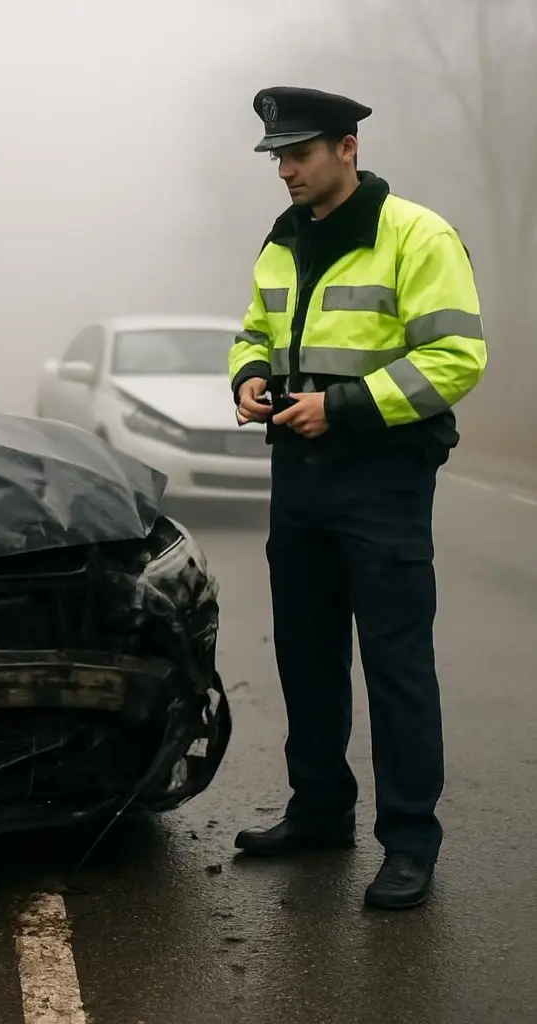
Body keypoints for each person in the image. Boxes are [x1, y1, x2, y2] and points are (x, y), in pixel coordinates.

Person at [226, 86, 487, 910]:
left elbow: (455, 357)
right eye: (276, 157)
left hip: (381, 478)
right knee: (305, 653)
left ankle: (409, 841)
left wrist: (338, 406)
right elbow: (253, 330)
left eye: (297, 154)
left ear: (347, 147)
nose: (285, 171)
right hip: (298, 476)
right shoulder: (282, 239)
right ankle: (318, 812)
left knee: (395, 663)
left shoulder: (416, 233)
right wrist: (251, 375)